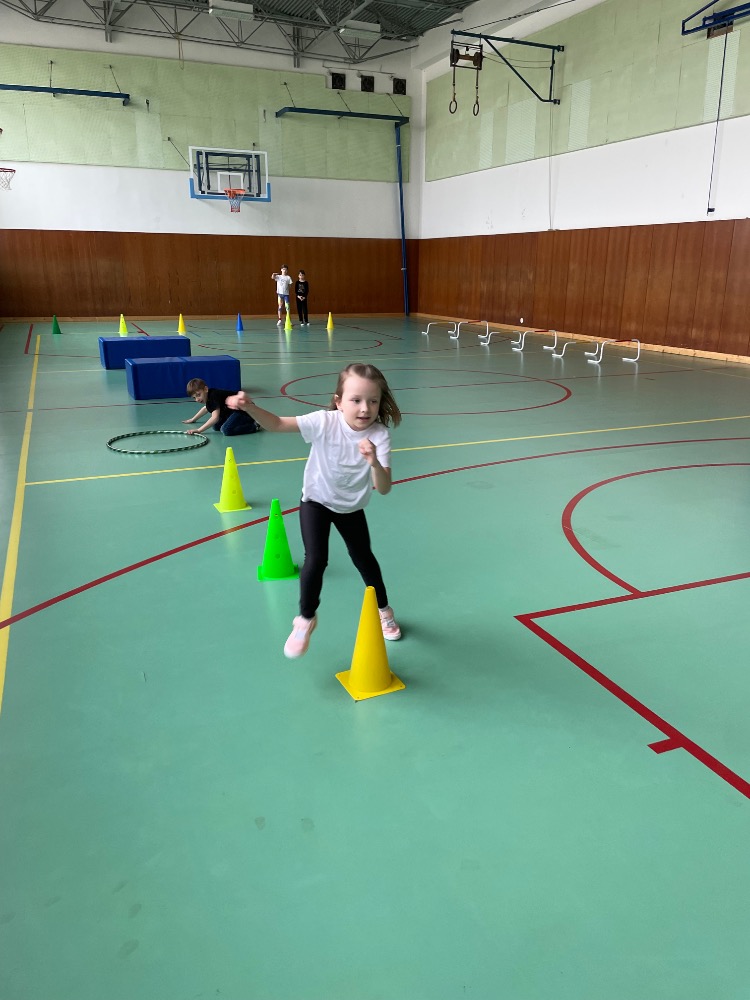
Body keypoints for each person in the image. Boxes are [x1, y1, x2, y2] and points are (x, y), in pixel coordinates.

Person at [226, 363, 402, 658]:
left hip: (351, 507)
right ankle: (305, 619)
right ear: (338, 401)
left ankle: (384, 610)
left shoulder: (379, 435)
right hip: (316, 500)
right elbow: (277, 424)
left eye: (373, 401)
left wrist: (373, 462)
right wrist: (250, 408)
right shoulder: (324, 422)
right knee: (316, 558)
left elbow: (383, 488)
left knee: (364, 559)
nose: (365, 408)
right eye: (356, 400)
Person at [183, 379, 261, 436]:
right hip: (233, 412)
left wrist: (199, 430)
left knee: (226, 430)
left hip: (245, 410)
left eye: (198, 395)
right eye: (194, 397)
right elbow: (205, 408)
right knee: (216, 426)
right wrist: (193, 419)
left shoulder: (213, 395)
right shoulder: (208, 397)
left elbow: (215, 418)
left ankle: (254, 426)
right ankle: (243, 421)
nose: (197, 399)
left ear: (205, 389)